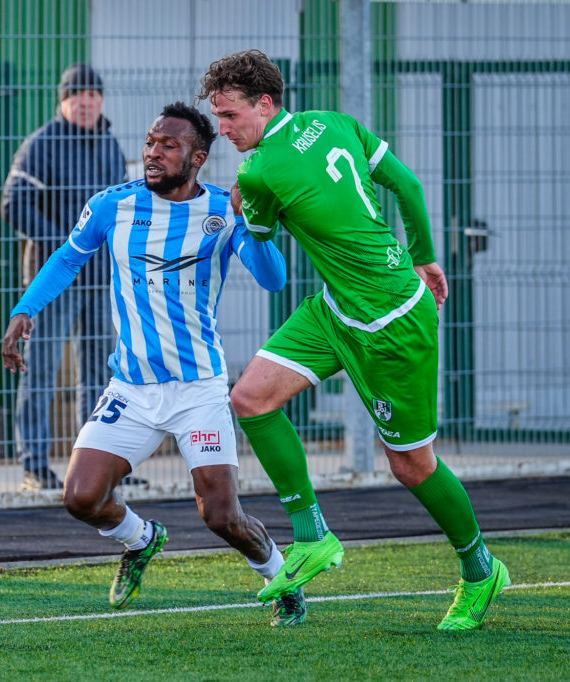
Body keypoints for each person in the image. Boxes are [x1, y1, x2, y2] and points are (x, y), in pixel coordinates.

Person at [199, 49, 509, 631]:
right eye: (216, 117)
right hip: (337, 309)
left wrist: (241, 208)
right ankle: (312, 535)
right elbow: (408, 185)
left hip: (392, 324)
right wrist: (425, 256)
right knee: (250, 399)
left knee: (411, 465)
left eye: (230, 115)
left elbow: (259, 233)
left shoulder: (258, 171)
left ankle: (480, 569)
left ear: (265, 104)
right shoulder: (337, 122)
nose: (222, 129)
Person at [2, 103, 304, 626]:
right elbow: (67, 258)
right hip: (133, 387)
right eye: (149, 142)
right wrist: (25, 310)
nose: (153, 153)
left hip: (198, 391)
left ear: (198, 157)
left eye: (168, 145)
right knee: (80, 498)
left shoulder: (223, 209)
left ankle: (283, 581)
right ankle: (141, 540)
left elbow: (273, 279)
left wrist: (255, 222)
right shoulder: (112, 206)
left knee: (222, 517)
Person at [0, 63, 134, 491]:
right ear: (63, 100)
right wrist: (67, 246)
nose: (86, 102)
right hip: (54, 280)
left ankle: (94, 469)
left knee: (99, 375)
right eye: (77, 95)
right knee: (41, 370)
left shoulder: (109, 144)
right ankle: (34, 467)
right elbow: (12, 204)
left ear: (102, 100)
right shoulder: (42, 143)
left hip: (102, 279)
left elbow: (124, 207)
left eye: (93, 95)